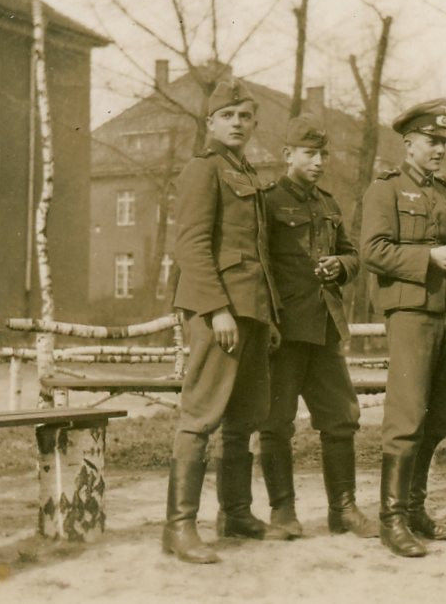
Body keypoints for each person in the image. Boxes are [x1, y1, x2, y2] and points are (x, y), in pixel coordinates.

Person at [163, 79, 289, 565]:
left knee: (243, 418)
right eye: (228, 115)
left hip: (251, 312)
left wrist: (267, 316)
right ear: (210, 122)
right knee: (200, 416)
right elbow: (191, 245)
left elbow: (258, 253)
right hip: (218, 313)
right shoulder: (204, 169)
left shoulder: (246, 171)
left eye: (246, 116)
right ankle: (179, 528)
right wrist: (216, 309)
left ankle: (235, 513)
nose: (238, 123)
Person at [259, 114, 378, 540]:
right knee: (275, 422)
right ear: (287, 154)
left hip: (325, 328)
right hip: (284, 331)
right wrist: (267, 321)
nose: (319, 162)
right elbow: (258, 266)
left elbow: (353, 255)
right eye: (309, 153)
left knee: (341, 418)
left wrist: (341, 265)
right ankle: (283, 512)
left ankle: (343, 509)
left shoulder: (328, 204)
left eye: (323, 154)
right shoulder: (267, 201)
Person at [360, 98, 446, 558]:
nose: (440, 148)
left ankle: (415, 510)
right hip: (411, 316)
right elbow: (372, 251)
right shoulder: (385, 190)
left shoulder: (443, 192)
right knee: (406, 419)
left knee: (440, 417)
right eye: (431, 140)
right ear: (408, 144)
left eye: (444, 141)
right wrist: (427, 257)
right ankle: (392, 520)